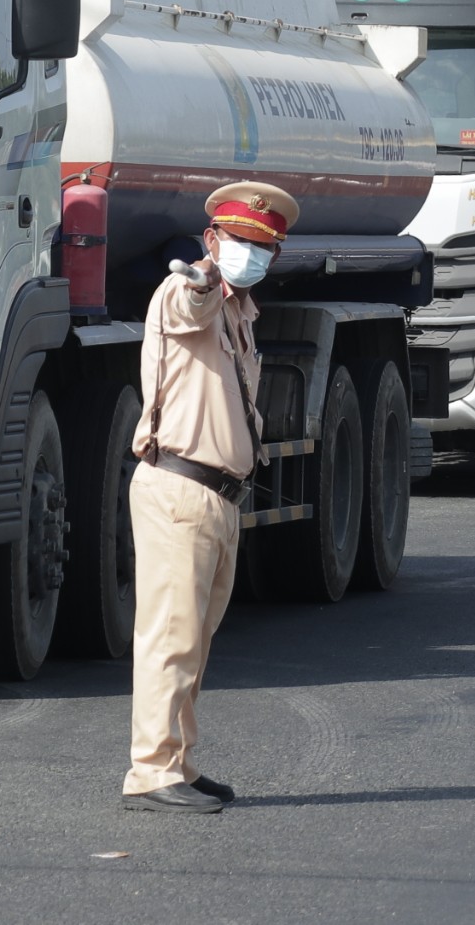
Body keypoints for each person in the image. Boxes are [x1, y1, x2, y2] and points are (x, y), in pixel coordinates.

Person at [119, 180, 297, 814]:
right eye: (240, 242)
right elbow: (186, 305)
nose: (251, 255)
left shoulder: (243, 314)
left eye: (264, 246)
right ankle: (150, 772)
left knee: (195, 640)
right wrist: (200, 281)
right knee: (170, 636)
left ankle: (179, 763)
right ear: (212, 240)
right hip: (180, 488)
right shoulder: (185, 291)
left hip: (219, 499)